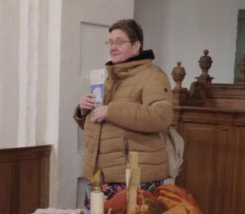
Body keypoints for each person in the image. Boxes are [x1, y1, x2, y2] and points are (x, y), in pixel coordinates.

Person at [73, 19, 173, 200]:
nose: (112, 47)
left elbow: (162, 117)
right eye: (110, 42)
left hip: (134, 178)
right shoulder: (108, 77)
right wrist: (84, 111)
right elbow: (104, 125)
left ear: (136, 46)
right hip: (99, 176)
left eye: (119, 42)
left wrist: (111, 111)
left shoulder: (153, 76)